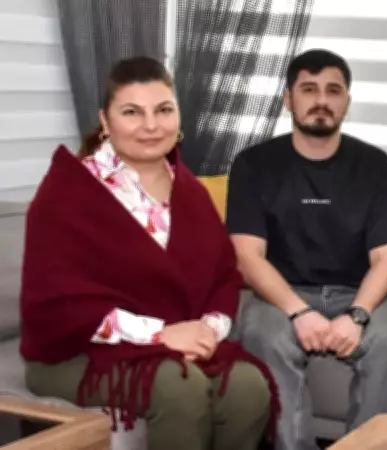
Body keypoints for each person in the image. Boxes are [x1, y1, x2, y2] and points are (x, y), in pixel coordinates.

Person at [20, 56, 279, 450]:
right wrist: (162, 335)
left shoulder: (191, 192)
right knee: (179, 388)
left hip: (170, 347)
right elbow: (57, 307)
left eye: (163, 110)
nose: (151, 125)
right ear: (105, 121)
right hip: (74, 354)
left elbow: (224, 276)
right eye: (132, 112)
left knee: (247, 387)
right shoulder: (66, 191)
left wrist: (207, 330)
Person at [227, 49, 387, 450]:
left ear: (347, 101)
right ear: (288, 99)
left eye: (333, 90)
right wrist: (299, 312)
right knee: (263, 334)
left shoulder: (375, 165)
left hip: (356, 294)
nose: (321, 100)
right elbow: (247, 257)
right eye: (309, 89)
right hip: (281, 297)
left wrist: (358, 315)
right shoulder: (253, 164)